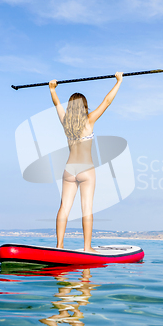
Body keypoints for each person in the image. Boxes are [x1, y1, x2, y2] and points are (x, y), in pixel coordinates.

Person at [49, 72, 123, 253]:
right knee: (86, 209)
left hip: (68, 170)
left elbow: (57, 104)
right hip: (86, 170)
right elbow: (106, 102)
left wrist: (52, 89)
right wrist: (119, 81)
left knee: (64, 208)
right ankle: (87, 247)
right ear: (84, 107)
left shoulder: (66, 122)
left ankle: (59, 246)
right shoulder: (89, 121)